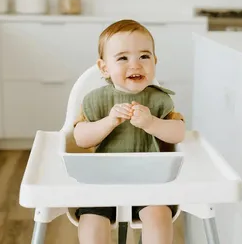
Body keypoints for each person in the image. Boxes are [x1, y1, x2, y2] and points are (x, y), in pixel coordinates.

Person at [73, 19, 185, 244]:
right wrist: (109, 121)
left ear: (155, 61)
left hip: (149, 180)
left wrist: (151, 123)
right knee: (91, 220)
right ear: (104, 67)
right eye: (123, 58)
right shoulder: (95, 100)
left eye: (144, 56)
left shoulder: (159, 99)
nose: (135, 65)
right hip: (103, 180)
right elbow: (80, 139)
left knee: (159, 215)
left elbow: (179, 133)